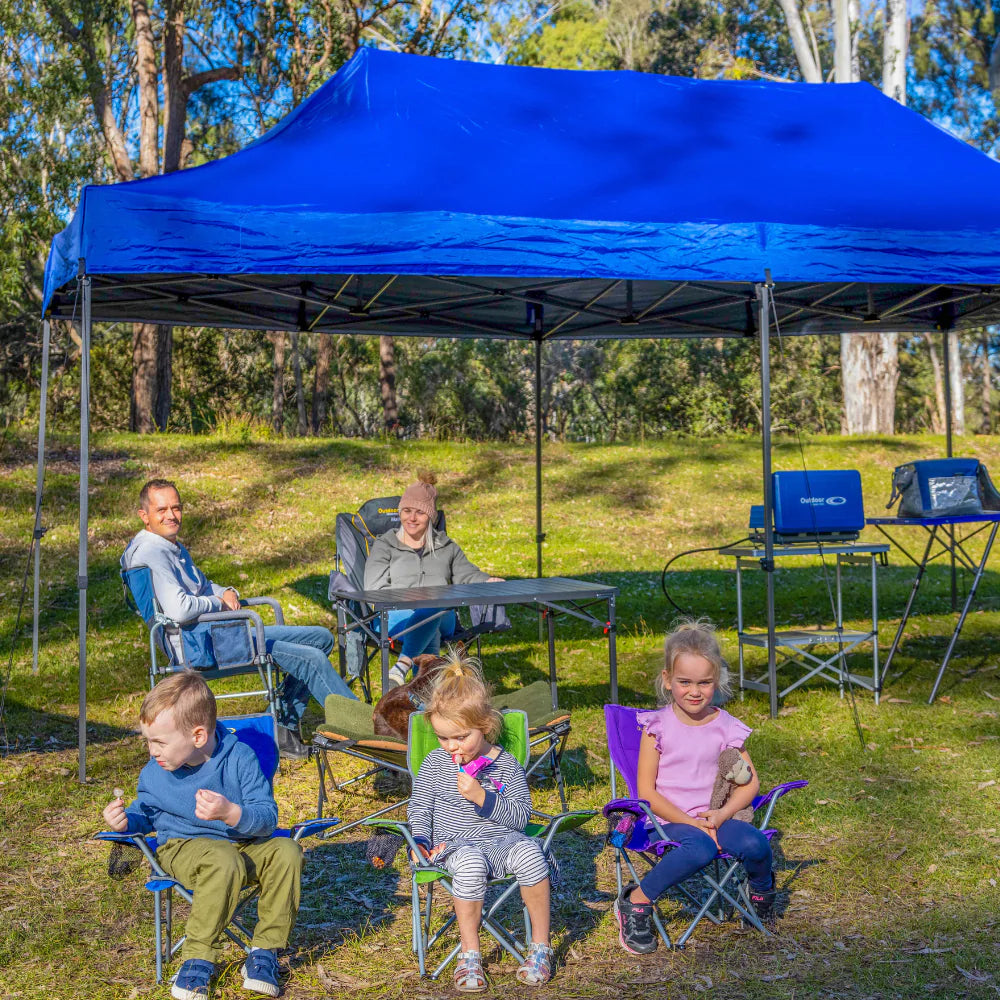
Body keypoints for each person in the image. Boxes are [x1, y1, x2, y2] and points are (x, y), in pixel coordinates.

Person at [102, 671, 302, 999]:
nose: (152, 751)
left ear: (197, 736)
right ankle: (197, 959)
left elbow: (266, 818)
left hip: (242, 845)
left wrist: (232, 813)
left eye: (159, 742)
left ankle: (264, 951)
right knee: (222, 860)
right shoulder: (155, 773)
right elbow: (145, 813)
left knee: (287, 852)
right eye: (148, 741)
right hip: (183, 847)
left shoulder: (240, 759)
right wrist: (125, 821)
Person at [122, 478, 356, 759]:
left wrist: (226, 592)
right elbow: (179, 610)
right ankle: (364, 732)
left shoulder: (169, 544)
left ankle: (283, 727)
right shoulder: (151, 551)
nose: (171, 515)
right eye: (162, 510)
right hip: (199, 646)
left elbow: (203, 586)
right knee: (312, 659)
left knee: (321, 638)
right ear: (144, 515)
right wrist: (217, 601)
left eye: (176, 507)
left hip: (217, 634)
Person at [613, 619, 775, 955]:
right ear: (667, 681)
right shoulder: (656, 727)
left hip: (716, 817)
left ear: (717, 682)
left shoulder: (726, 727)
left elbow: (750, 783)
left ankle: (760, 891)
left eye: (704, 682)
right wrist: (694, 823)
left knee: (755, 843)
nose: (694, 691)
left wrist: (721, 815)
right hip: (665, 820)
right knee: (700, 848)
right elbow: (646, 793)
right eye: (684, 682)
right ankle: (636, 901)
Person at [407, 653, 555, 990]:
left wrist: (482, 798)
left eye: (461, 737)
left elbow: (520, 817)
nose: (452, 747)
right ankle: (470, 954)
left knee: (532, 853)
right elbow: (420, 809)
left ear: (484, 726)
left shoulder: (504, 765)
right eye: (443, 738)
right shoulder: (434, 764)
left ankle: (541, 947)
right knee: (471, 862)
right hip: (456, 847)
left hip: (503, 842)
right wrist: (420, 841)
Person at [364, 472, 502, 690]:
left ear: (431, 517)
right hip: (393, 616)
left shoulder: (446, 546)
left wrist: (487, 580)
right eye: (407, 511)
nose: (412, 518)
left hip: (441, 614)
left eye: (419, 512)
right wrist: (412, 601)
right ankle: (427, 693)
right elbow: (373, 587)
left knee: (435, 605)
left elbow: (467, 574)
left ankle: (402, 665)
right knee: (432, 625)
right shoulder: (385, 545)